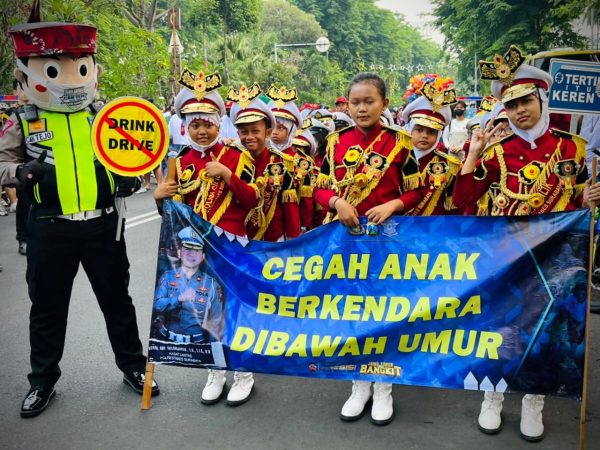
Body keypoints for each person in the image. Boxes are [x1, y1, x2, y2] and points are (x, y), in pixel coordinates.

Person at [0, 11, 158, 419]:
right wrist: (20, 172)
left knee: (117, 302)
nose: (71, 78)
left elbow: (135, 154)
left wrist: (130, 178)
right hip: (49, 229)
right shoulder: (24, 119)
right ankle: (42, 382)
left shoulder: (103, 116)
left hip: (104, 225)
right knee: (47, 309)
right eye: (55, 69)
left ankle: (133, 367)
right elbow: (1, 163)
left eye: (80, 67)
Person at [453, 44, 592, 442]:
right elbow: (462, 199)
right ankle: (492, 395)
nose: (519, 111)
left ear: (541, 100)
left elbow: (581, 204)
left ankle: (534, 400)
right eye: (511, 105)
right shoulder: (497, 153)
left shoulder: (573, 149)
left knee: (546, 328)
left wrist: (588, 199)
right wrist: (473, 154)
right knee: (503, 325)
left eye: (526, 101)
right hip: (507, 257)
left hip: (555, 258)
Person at [313, 72, 424, 425]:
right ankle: (359, 384)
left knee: (384, 311)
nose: (361, 108)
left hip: (386, 242)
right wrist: (336, 202)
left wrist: (393, 205)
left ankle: (384, 386)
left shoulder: (401, 143)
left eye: (369, 101)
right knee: (352, 311)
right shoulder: (335, 142)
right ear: (347, 105)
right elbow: (317, 188)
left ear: (384, 104)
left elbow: (417, 191)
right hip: (345, 243)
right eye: (355, 102)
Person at [153, 69, 259, 406]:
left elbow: (252, 201)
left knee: (236, 310)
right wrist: (159, 198)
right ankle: (215, 372)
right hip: (197, 251)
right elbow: (173, 217)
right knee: (205, 311)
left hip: (232, 247)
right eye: (195, 124)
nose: (202, 131)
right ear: (185, 127)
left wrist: (227, 175)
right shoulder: (179, 162)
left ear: (219, 124)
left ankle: (243, 373)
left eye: (208, 124)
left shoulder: (237, 156)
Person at [227, 83, 300, 242]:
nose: (250, 137)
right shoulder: (231, 158)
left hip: (274, 239)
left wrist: (294, 240)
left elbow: (289, 204)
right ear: (237, 133)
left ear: (268, 132)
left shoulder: (282, 161)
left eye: (255, 131)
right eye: (244, 132)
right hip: (238, 239)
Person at [153, 227, 224, 345]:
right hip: (166, 342)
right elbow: (156, 306)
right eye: (187, 249)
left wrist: (212, 350)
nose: (192, 254)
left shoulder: (212, 285)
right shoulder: (167, 277)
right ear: (179, 253)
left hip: (196, 346)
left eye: (197, 250)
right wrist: (178, 299)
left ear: (203, 257)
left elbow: (216, 323)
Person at [401, 80, 463, 216]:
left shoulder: (449, 165)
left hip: (434, 227)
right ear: (410, 129)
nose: (424, 135)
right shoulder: (396, 157)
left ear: (439, 134)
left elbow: (454, 208)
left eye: (431, 132)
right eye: (419, 130)